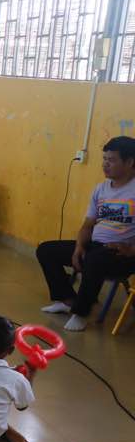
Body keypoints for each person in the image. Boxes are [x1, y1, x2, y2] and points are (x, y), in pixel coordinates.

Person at [36, 136, 135, 331]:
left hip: (124, 254)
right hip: (96, 246)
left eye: (112, 160)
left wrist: (131, 250)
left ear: (130, 162)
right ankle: (67, 299)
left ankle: (81, 313)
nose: (105, 164)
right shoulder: (101, 189)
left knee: (95, 260)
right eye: (104, 159)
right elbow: (88, 224)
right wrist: (79, 246)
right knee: (46, 250)